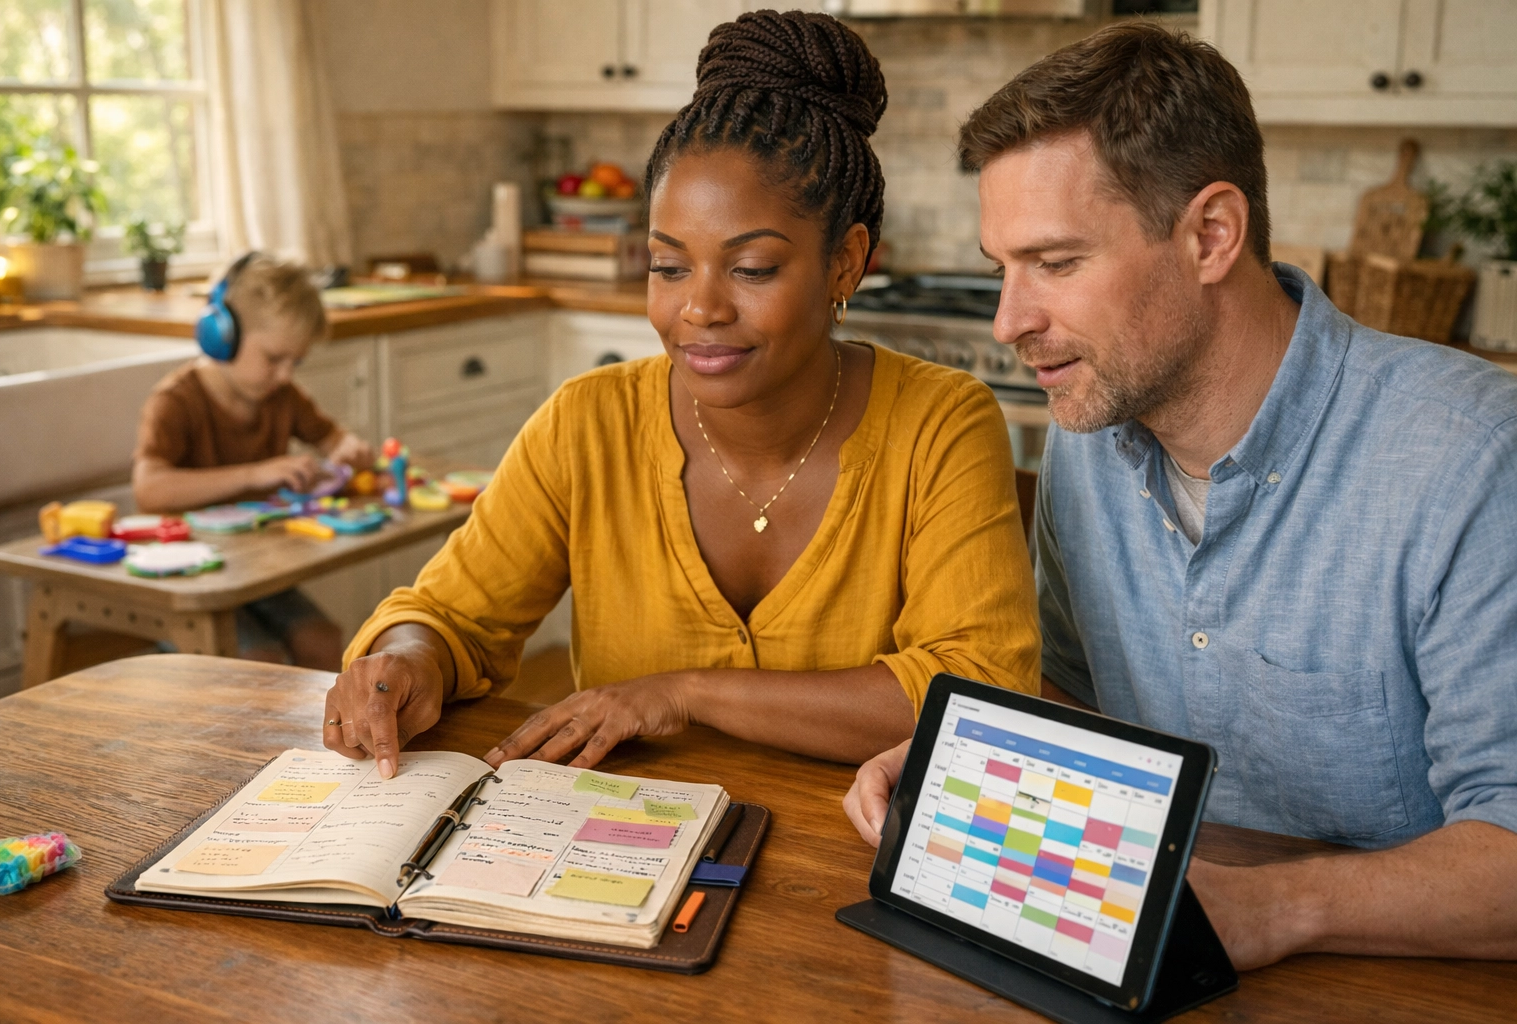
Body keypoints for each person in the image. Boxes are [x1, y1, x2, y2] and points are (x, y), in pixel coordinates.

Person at [844, 23, 1517, 970]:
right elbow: (1074, 697)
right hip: (1133, 948)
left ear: (1211, 235)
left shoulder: (1472, 459)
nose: (1009, 321)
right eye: (1003, 267)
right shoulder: (1092, 426)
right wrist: (967, 770)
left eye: (1058, 263)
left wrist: (1269, 909)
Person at [322, 10, 1039, 782]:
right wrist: (405, 659)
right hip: (616, 856)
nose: (700, 309)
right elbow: (451, 617)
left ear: (846, 262)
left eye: (753, 269)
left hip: (845, 857)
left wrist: (686, 693)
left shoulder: (941, 424)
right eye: (668, 268)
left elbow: (978, 695)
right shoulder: (587, 423)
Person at [133, 253, 373, 669]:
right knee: (260, 659)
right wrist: (254, 474)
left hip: (256, 572)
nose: (285, 375)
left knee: (324, 641)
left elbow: (332, 438)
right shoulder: (175, 401)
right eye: (274, 358)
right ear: (220, 335)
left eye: (295, 362)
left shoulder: (281, 396)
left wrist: (348, 449)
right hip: (193, 576)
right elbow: (149, 488)